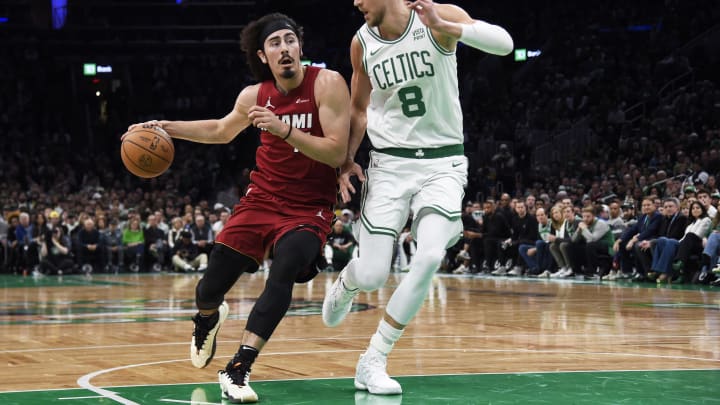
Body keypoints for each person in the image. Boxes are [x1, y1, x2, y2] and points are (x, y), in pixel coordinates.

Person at [127, 13, 350, 403]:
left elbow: (336, 152)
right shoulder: (254, 96)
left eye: (289, 40)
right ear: (263, 56)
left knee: (283, 271)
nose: (284, 49)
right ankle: (207, 318)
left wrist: (283, 129)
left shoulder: (327, 84)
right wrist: (166, 127)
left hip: (309, 207)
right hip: (261, 200)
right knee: (208, 288)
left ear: (300, 46)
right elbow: (220, 130)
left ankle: (238, 368)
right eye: (275, 44)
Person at [322, 0, 512, 395]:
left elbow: (505, 43)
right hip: (389, 166)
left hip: (442, 163)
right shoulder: (361, 42)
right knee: (373, 274)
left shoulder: (436, 17)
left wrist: (448, 27)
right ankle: (349, 279)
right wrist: (345, 163)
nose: (356, 2)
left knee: (428, 256)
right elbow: (358, 110)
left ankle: (374, 357)